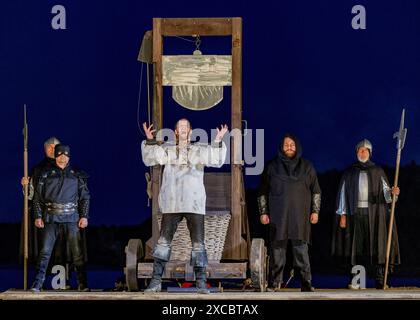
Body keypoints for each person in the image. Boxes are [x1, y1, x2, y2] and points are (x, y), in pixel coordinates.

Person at [141, 119, 228, 293]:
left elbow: (215, 158)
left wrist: (218, 140)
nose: (182, 128)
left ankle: (201, 283)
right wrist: (150, 139)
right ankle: (156, 281)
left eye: (185, 126)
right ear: (175, 131)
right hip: (172, 203)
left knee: (198, 244)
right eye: (179, 126)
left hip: (193, 203)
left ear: (190, 131)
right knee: (163, 243)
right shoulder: (168, 149)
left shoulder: (198, 150)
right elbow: (151, 158)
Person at [332, 139, 400, 289]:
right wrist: (342, 214)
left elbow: (387, 196)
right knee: (355, 248)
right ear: (356, 152)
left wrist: (393, 193)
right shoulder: (350, 172)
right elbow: (343, 194)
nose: (363, 153)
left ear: (370, 153)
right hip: (354, 214)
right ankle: (356, 281)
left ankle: (380, 280)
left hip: (375, 214)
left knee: (377, 245)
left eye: (365, 150)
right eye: (360, 150)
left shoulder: (378, 171)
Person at [258, 134, 321, 292]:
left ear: (297, 146)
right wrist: (263, 212)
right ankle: (275, 282)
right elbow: (262, 192)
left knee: (301, 251)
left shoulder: (307, 166)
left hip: (300, 217)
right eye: (286, 145)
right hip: (278, 217)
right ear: (281, 147)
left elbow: (316, 191)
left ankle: (306, 283)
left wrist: (315, 211)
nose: (289, 147)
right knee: (277, 251)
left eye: (292, 144)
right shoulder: (272, 166)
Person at [30, 144, 90, 292]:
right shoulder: (45, 174)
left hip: (72, 217)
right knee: (45, 252)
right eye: (60, 154)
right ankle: (37, 284)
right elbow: (37, 198)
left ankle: (82, 284)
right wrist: (38, 216)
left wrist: (84, 216)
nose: (63, 157)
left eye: (66, 154)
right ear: (56, 155)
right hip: (51, 217)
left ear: (69, 156)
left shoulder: (77, 174)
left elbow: (85, 198)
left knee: (77, 252)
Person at [21, 137, 61, 265]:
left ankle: (65, 277)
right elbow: (30, 196)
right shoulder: (37, 169)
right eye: (49, 147)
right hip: (43, 215)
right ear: (45, 150)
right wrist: (25, 186)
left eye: (55, 147)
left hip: (62, 214)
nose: (52, 149)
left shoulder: (66, 168)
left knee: (61, 249)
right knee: (44, 248)